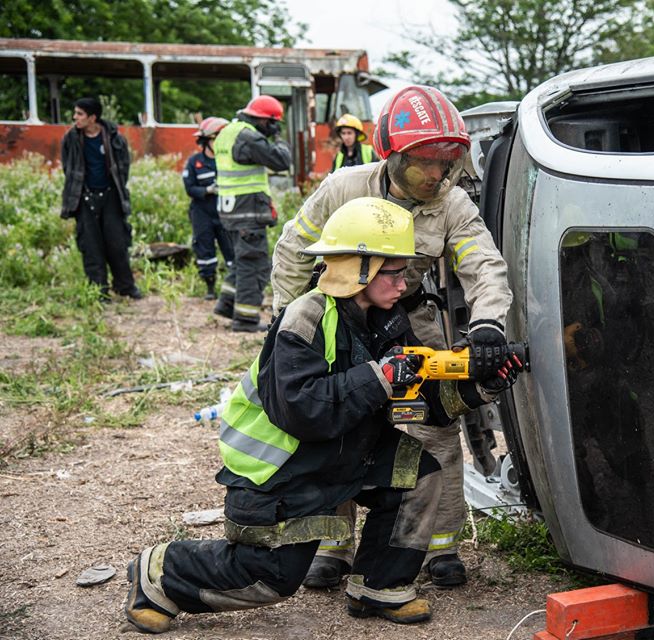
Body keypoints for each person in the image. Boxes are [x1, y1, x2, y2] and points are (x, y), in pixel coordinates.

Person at [123, 197, 522, 633]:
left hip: (340, 454)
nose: (403, 283)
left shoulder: (387, 320)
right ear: (357, 269)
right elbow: (302, 410)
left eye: (405, 271)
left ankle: (378, 585)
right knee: (270, 578)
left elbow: (423, 402)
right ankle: (159, 574)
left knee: (417, 472)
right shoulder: (306, 317)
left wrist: (481, 385)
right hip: (279, 470)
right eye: (393, 272)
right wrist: (380, 376)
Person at [271, 85, 513, 589]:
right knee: (336, 424)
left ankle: (439, 548)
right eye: (423, 162)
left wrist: (488, 323)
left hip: (409, 316)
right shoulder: (344, 187)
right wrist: (287, 327)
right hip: (342, 314)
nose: (434, 174)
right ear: (392, 155)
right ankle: (333, 548)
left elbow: (483, 266)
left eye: (445, 163)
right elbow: (294, 250)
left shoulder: (452, 204)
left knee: (433, 424)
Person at [212, 95, 291, 332]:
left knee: (241, 260)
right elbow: (281, 160)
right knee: (253, 264)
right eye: (272, 124)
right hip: (247, 212)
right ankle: (245, 319)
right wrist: (278, 137)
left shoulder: (227, 131)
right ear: (265, 121)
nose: (271, 128)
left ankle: (226, 304)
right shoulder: (248, 136)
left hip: (230, 211)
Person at [59, 96, 142, 301]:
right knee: (91, 246)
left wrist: (115, 190)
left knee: (117, 243)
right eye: (75, 113)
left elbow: (123, 168)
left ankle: (125, 287)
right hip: (84, 197)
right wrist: (79, 192)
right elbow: (68, 168)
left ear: (93, 117)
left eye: (80, 114)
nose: (74, 117)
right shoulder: (71, 138)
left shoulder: (114, 137)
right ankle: (99, 291)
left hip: (110, 196)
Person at [182, 116, 234, 300]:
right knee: (204, 250)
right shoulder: (194, 162)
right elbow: (189, 188)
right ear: (208, 140)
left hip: (225, 212)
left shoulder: (227, 160)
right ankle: (210, 287)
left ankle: (231, 289)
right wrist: (207, 190)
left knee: (231, 250)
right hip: (201, 212)